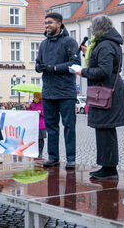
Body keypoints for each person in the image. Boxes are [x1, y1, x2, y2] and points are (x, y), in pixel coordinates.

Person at [75, 15, 124, 179]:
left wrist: (82, 71)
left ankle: (109, 169)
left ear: (98, 28)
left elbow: (104, 71)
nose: (91, 30)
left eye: (92, 27)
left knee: (106, 129)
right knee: (104, 129)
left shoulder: (105, 45)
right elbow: (104, 65)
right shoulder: (106, 43)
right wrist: (87, 53)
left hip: (106, 93)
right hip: (107, 92)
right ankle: (107, 166)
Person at [35, 12, 80, 169]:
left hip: (66, 92)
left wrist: (53, 68)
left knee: (69, 126)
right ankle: (53, 157)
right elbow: (38, 64)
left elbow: (75, 65)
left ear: (59, 24)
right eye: (45, 23)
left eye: (50, 23)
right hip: (48, 92)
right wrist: (39, 67)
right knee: (51, 127)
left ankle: (71, 158)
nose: (47, 25)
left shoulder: (69, 42)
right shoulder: (43, 44)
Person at [27, 92, 46, 158]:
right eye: (34, 97)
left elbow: (45, 113)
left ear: (39, 98)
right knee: (36, 139)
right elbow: (29, 113)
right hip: (34, 124)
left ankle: (40, 152)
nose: (35, 99)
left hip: (41, 124)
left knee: (41, 139)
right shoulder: (32, 104)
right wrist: (28, 108)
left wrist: (41, 112)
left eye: (36, 98)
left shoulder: (43, 104)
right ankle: (36, 151)